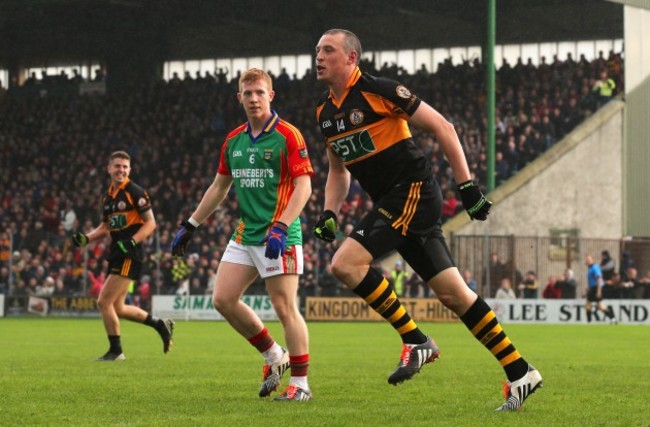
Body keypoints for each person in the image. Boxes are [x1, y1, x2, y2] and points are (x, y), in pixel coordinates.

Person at [312, 29, 541, 412]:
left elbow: (443, 127)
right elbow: (338, 171)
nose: (319, 56)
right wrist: (330, 211)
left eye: (328, 50)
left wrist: (467, 187)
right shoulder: (324, 111)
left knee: (345, 264)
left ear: (351, 58)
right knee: (453, 294)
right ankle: (520, 371)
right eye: (317, 49)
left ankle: (415, 341)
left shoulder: (380, 90)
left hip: (411, 191)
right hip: (394, 202)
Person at [171, 68, 314, 402]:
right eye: (247, 93)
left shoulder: (288, 135)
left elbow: (304, 186)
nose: (253, 98)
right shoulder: (233, 140)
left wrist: (281, 227)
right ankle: (274, 356)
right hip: (246, 233)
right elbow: (220, 186)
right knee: (222, 299)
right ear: (239, 98)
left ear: (271, 96)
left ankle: (302, 384)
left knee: (284, 307)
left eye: (259, 92)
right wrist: (191, 224)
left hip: (281, 235)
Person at [71, 150, 174, 361]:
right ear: (109, 169)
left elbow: (151, 223)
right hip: (117, 253)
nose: (121, 170)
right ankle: (159, 324)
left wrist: (133, 241)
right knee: (117, 307)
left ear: (130, 170)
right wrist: (87, 238)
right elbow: (105, 227)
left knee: (103, 302)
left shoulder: (134, 192)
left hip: (130, 253)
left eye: (125, 167)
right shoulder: (108, 196)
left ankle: (116, 351)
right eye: (117, 166)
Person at [584, 254, 617, 324]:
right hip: (593, 288)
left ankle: (612, 318)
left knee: (599, 306)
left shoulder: (595, 268)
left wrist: (599, 291)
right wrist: (588, 288)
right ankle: (612, 319)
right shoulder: (590, 269)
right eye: (587, 260)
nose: (587, 261)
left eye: (589, 260)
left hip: (596, 288)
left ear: (592, 260)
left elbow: (599, 278)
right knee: (590, 305)